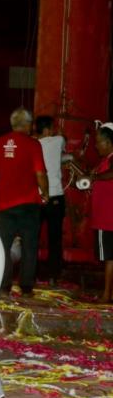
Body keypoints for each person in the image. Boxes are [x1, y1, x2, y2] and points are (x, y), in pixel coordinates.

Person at [0, 107, 49, 298]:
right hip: (29, 205)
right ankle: (26, 287)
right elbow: (40, 174)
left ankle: (4, 285)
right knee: (29, 246)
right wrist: (45, 193)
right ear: (28, 125)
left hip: (5, 206)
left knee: (3, 246)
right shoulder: (34, 145)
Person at [34, 116, 67, 285]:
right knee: (55, 239)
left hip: (37, 197)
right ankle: (53, 277)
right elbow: (63, 144)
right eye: (52, 128)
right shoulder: (59, 140)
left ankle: (31, 275)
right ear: (47, 130)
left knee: (33, 238)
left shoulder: (32, 144)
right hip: (55, 196)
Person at [88, 124, 113, 302]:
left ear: (109, 142)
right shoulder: (105, 160)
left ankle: (106, 294)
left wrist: (94, 177)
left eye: (99, 142)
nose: (96, 146)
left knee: (109, 258)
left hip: (107, 218)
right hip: (105, 216)